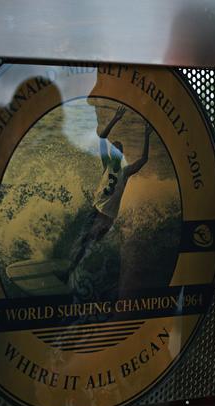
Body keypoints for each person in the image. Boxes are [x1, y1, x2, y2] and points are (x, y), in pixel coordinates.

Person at [59, 105, 153, 282]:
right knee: (84, 241)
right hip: (95, 210)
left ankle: (79, 273)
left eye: (119, 149)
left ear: (122, 154)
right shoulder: (107, 164)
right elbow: (102, 137)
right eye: (114, 149)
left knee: (90, 244)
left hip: (106, 217)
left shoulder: (125, 172)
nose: (115, 151)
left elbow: (144, 160)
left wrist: (146, 137)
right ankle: (71, 272)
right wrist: (115, 119)